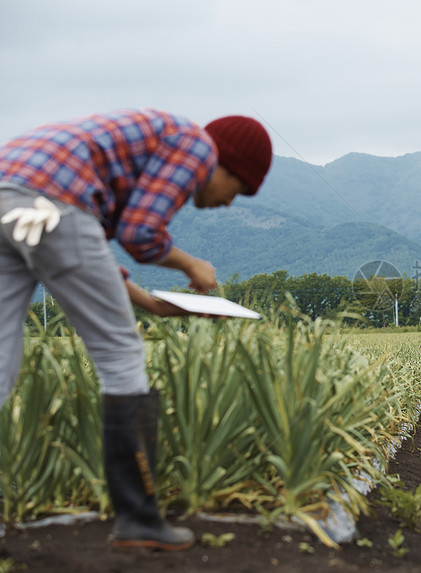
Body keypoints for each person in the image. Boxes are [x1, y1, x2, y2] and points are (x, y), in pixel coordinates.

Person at [0, 108, 273, 550]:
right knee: (121, 357)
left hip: (10, 192)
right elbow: (140, 232)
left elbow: (92, 255)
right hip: (52, 205)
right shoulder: (199, 146)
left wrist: (152, 304)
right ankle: (139, 518)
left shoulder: (137, 151)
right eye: (238, 189)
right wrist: (192, 265)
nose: (228, 202)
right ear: (228, 163)